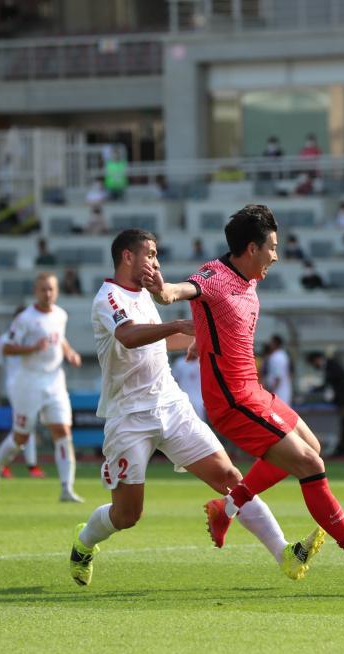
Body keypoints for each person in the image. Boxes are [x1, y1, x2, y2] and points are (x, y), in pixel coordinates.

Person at [144, 204, 344, 580]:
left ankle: (227, 508)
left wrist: (202, 338)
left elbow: (217, 318)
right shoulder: (214, 276)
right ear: (251, 248)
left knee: (312, 447)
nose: (276, 256)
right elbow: (181, 292)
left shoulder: (248, 279)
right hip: (232, 401)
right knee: (310, 465)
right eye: (272, 247)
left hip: (253, 390)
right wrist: (162, 291)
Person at [68, 229, 307, 586]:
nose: (156, 262)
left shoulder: (145, 294)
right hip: (129, 416)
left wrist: (200, 338)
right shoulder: (109, 298)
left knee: (229, 478)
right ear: (128, 256)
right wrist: (179, 325)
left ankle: (283, 552)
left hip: (171, 405)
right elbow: (130, 336)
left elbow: (160, 340)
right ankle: (84, 542)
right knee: (128, 514)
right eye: (150, 254)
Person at [0, 273, 83, 502]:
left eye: (51, 289)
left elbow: (60, 339)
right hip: (28, 382)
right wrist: (32, 348)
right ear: (35, 292)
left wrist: (70, 353)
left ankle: (66, 488)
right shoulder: (25, 319)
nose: (47, 294)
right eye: (43, 289)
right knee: (21, 436)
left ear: (57, 291)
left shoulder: (61, 314)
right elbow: (7, 348)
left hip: (55, 380)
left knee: (63, 431)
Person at [0, 306, 45, 480]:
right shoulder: (5, 340)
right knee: (25, 425)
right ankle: (26, 465)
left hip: (34, 385)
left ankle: (4, 463)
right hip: (16, 387)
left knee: (24, 425)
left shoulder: (36, 338)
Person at [307, 351, 344, 459]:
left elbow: (329, 382)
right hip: (343, 399)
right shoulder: (330, 365)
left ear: (317, 359)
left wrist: (315, 389)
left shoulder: (331, 365)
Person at [171, 350, 205, 421]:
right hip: (182, 400)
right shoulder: (179, 363)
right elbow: (173, 381)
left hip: (199, 402)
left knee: (199, 422)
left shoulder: (203, 363)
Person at [265, 335, 293, 406]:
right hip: (282, 390)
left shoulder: (277, 357)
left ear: (275, 343)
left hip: (278, 392)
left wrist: (270, 391)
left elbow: (278, 377)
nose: (269, 344)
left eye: (271, 342)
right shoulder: (282, 355)